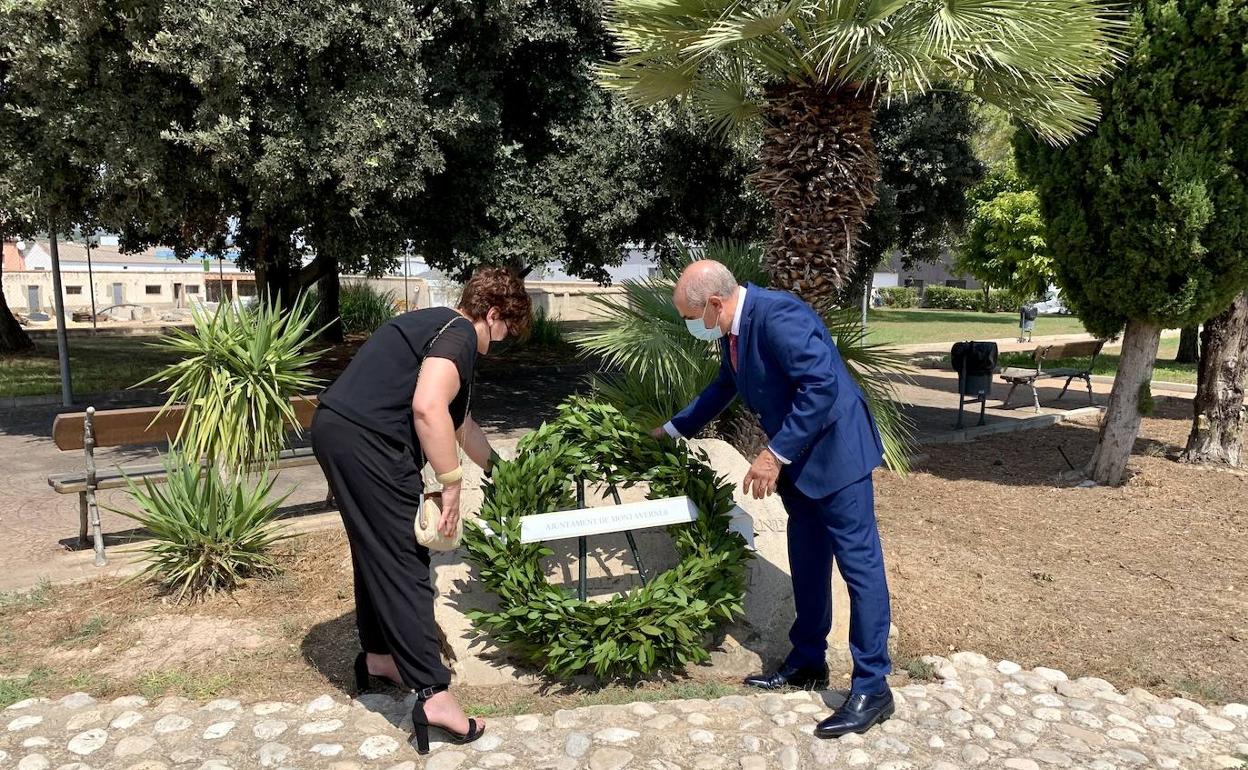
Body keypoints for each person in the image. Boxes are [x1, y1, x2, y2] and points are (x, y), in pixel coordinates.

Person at [650, 260, 894, 738]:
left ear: (716, 304)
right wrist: (675, 428)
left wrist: (773, 454)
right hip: (801, 468)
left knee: (860, 570)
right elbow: (725, 386)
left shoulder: (779, 315)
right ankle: (808, 661)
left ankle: (873, 687)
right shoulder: (733, 330)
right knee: (806, 562)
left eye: (690, 316)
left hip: (837, 459)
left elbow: (820, 386)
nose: (689, 326)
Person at [311, 267, 531, 754]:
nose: (502, 341)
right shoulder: (458, 338)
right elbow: (429, 409)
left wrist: (499, 469)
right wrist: (451, 486)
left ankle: (379, 657)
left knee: (378, 551)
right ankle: (433, 694)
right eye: (505, 331)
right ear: (492, 314)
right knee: (408, 560)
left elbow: (458, 422)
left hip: (338, 429)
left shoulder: (433, 324)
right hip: (369, 444)